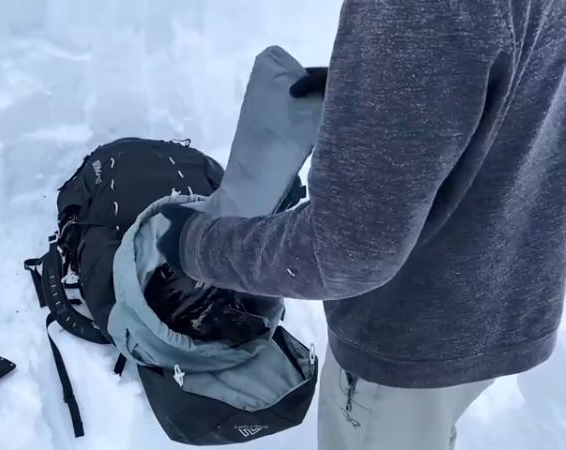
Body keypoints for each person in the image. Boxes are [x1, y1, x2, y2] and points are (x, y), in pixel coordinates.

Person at [154, 1, 566, 449]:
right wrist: (385, 86)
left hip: (411, 337)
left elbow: (343, 252)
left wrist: (197, 247)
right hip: (518, 285)